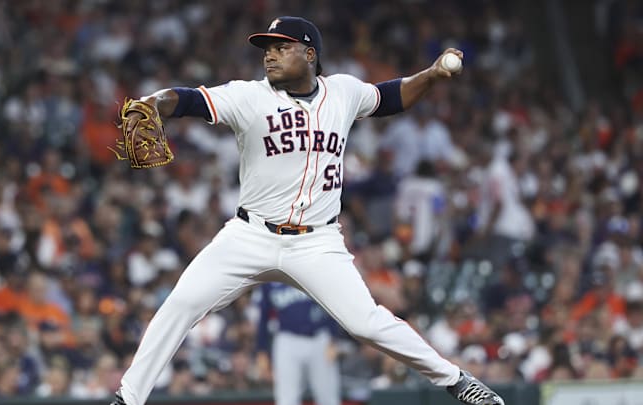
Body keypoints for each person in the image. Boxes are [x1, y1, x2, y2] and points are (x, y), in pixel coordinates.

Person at [111, 16, 504, 405]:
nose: (270, 56)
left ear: (310, 54)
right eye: (268, 49)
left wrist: (432, 74)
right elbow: (188, 98)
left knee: (365, 323)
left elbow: (391, 96)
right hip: (249, 235)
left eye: (282, 48)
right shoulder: (249, 96)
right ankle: (128, 399)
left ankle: (457, 380)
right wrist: (154, 102)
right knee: (180, 305)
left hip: (316, 243)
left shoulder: (344, 92)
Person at [254, 282, 341, 405]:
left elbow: (331, 303)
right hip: (287, 340)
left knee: (328, 397)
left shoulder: (312, 265)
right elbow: (263, 317)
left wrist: (333, 337)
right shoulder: (271, 276)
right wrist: (261, 350)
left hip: (320, 338)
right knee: (286, 399)